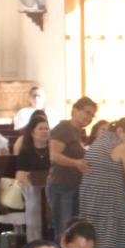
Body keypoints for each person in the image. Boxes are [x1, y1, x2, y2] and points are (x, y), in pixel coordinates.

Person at [78, 113, 125, 248]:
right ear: (120, 131)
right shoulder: (122, 147)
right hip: (109, 203)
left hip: (90, 202)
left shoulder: (100, 141)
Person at [48, 97, 96, 237]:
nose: (89, 117)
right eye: (87, 113)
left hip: (75, 186)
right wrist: (76, 163)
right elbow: (53, 155)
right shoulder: (64, 128)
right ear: (74, 110)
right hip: (62, 186)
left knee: (73, 231)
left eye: (92, 115)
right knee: (64, 231)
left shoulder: (78, 132)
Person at [12, 110, 52, 193]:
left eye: (46, 128)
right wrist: (34, 191)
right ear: (32, 133)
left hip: (52, 190)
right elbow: (20, 176)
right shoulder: (25, 153)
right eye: (40, 129)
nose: (44, 131)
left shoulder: (53, 151)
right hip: (31, 192)